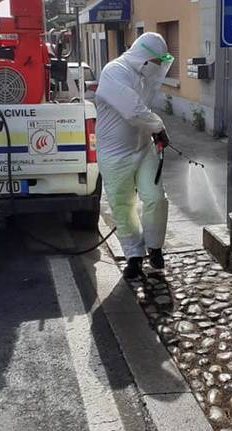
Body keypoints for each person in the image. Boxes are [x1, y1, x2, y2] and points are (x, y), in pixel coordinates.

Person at [95, 32, 174, 279]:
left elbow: (143, 110)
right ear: (145, 58)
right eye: (158, 63)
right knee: (123, 205)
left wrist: (155, 134)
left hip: (143, 148)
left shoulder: (144, 77)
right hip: (114, 154)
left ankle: (154, 247)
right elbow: (133, 110)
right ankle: (133, 255)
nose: (159, 68)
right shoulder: (114, 71)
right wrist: (159, 127)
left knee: (155, 198)